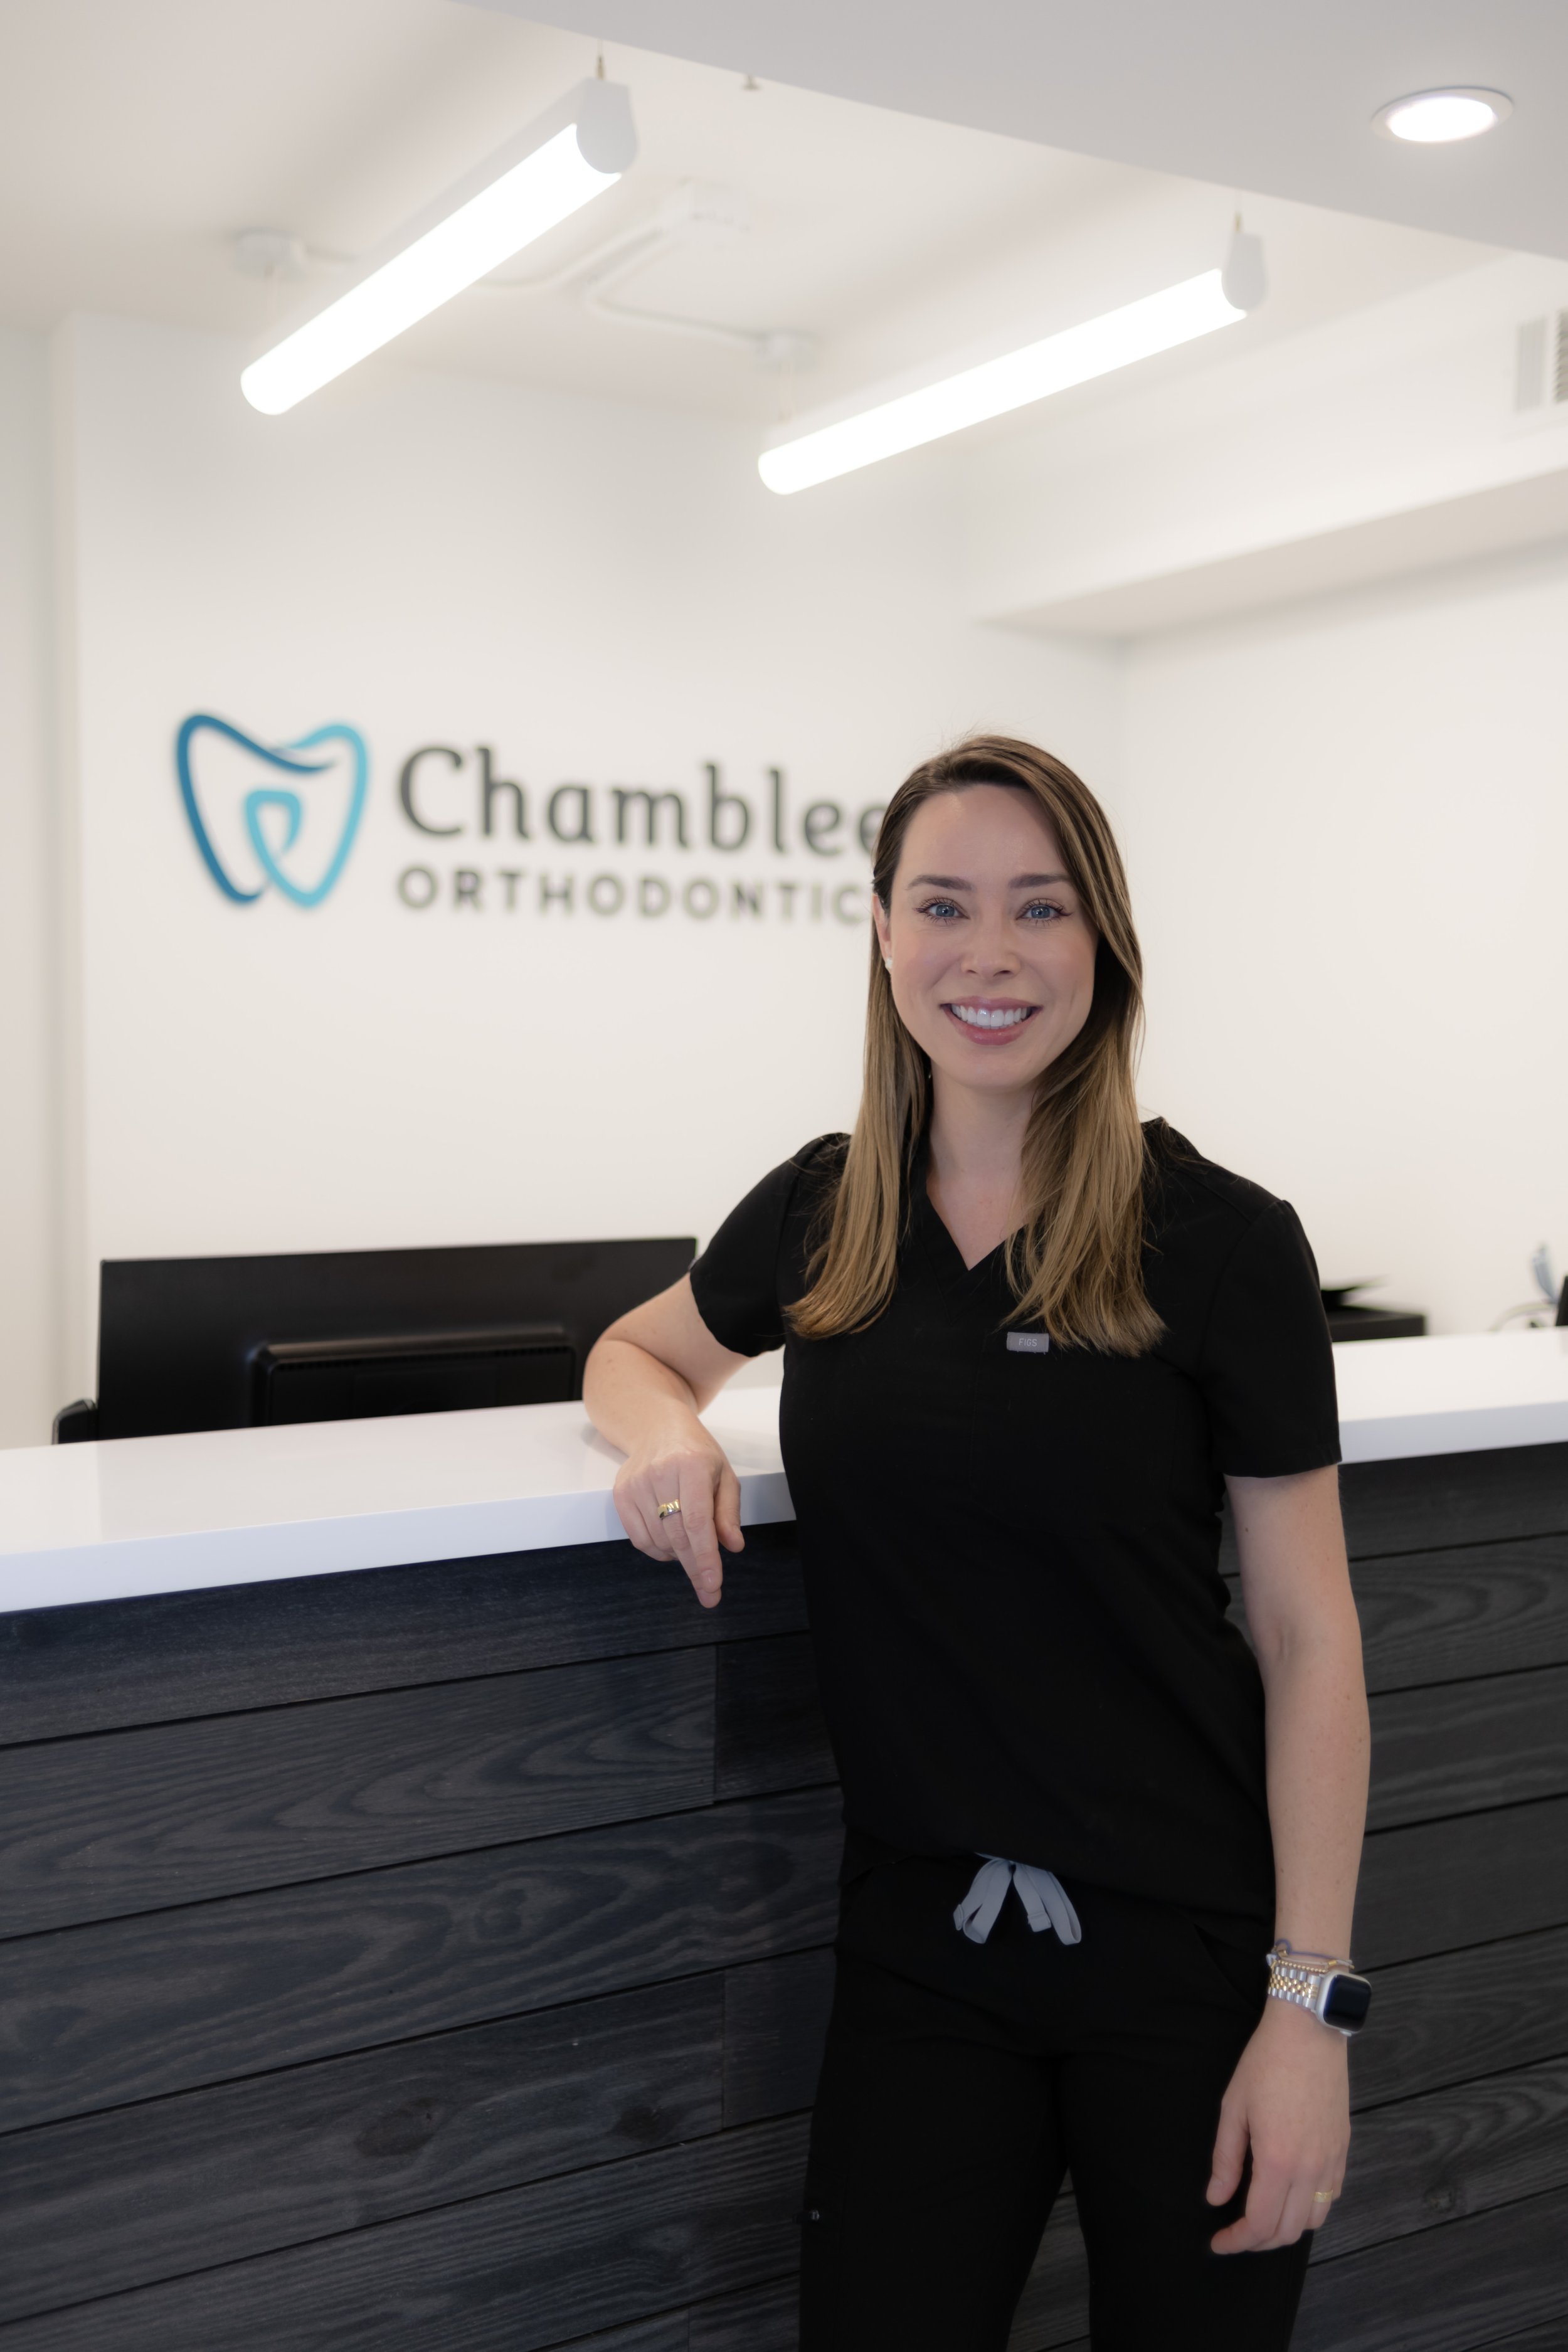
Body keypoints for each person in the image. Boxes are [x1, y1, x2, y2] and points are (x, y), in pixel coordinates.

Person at [583, 734, 1370, 2351]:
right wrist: (665, 1435)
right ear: (881, 933)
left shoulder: (1225, 1244)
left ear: (1105, 944)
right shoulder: (827, 1208)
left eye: (1042, 908)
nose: (989, 955)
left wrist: (1312, 2016)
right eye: (943, 904)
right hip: (923, 1954)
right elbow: (635, 1351)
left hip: (1190, 1965)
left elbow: (1309, 1643)